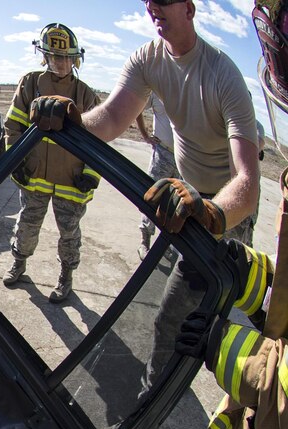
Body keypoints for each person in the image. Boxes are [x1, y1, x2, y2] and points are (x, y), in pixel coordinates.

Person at [130, 4, 288, 429]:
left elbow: (284, 394)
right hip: (258, 396)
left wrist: (222, 350)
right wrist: (240, 268)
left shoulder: (223, 77)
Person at [28, 0, 260, 397]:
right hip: (185, 200)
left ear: (189, 8)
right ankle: (150, 400)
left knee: (216, 321)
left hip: (224, 210)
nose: (154, 7)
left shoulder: (224, 76)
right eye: (148, 1)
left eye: (165, 0)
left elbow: (249, 182)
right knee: (172, 317)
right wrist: (76, 122)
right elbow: (114, 119)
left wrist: (213, 212)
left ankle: (248, 397)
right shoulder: (147, 60)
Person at [2, 23, 100, 303]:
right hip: (33, 178)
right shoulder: (30, 83)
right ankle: (19, 264)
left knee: (69, 234)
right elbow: (13, 126)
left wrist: (91, 175)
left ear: (75, 59)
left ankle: (65, 278)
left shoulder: (85, 94)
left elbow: (99, 141)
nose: (59, 62)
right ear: (43, 56)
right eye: (53, 56)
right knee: (26, 226)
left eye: (65, 57)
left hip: (71, 183)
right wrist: (15, 160)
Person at [136, 93, 179, 260]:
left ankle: (165, 243)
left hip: (184, 160)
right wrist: (145, 135)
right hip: (163, 154)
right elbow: (137, 109)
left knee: (175, 203)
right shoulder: (157, 91)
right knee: (153, 197)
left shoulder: (188, 91)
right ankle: (144, 240)